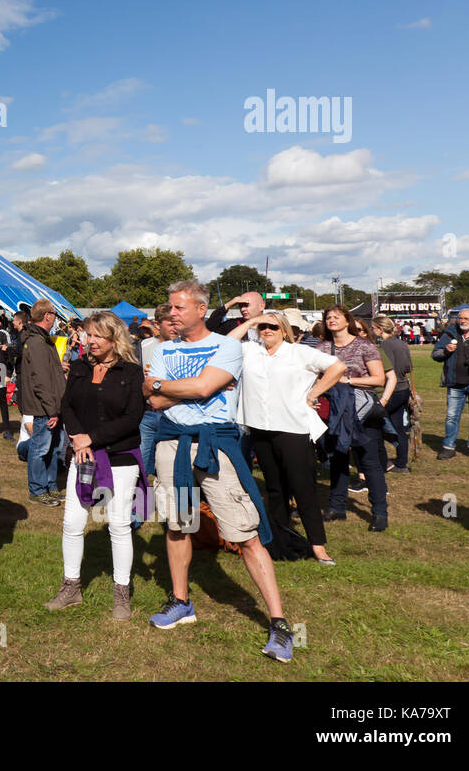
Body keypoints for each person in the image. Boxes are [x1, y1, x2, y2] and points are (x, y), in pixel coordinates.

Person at [143, 280, 295, 663]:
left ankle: (278, 623)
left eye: (178, 308)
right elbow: (155, 397)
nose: (171, 314)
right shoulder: (162, 348)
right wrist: (180, 387)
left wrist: (174, 386)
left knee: (243, 532)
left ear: (199, 309)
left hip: (216, 444)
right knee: (177, 525)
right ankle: (181, 602)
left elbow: (202, 387)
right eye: (170, 308)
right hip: (171, 443)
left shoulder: (228, 345)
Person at [46, 311, 146, 618]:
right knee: (73, 523)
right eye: (88, 335)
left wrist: (92, 438)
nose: (89, 341)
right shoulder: (78, 367)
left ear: (114, 338)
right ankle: (71, 587)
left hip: (120, 458)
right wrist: (78, 438)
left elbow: (132, 418)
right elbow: (68, 406)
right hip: (82, 455)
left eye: (96, 336)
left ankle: (121, 593)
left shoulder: (131, 372)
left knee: (118, 524)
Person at [230, 312, 344, 565]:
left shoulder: (299, 353)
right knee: (274, 488)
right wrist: (251, 322)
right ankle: (279, 540)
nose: (267, 330)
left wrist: (314, 393)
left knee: (303, 488)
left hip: (293, 428)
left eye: (272, 326)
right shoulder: (250, 350)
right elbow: (225, 344)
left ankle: (318, 545)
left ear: (284, 330)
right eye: (263, 327)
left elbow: (337, 367)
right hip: (259, 427)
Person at [315, 305, 389, 530]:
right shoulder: (322, 347)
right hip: (334, 410)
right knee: (337, 458)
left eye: (336, 316)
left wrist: (348, 381)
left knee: (368, 461)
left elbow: (379, 379)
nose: (331, 320)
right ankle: (337, 507)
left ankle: (379, 513)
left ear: (347, 321)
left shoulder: (364, 345)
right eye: (328, 317)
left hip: (361, 410)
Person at [16, 299, 67, 508]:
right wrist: (52, 409)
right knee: (40, 448)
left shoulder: (42, 339)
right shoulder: (36, 341)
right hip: (45, 407)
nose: (55, 318)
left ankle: (50, 485)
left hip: (52, 405)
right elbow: (40, 380)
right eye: (54, 314)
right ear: (47, 316)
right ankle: (37, 489)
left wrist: (58, 367)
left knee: (54, 447)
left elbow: (45, 373)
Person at [431, 307, 469, 459]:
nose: (462, 321)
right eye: (460, 318)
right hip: (455, 383)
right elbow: (435, 354)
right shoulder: (449, 334)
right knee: (451, 417)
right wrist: (446, 351)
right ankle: (448, 447)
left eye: (467, 319)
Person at [138, 304, 178, 476]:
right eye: (170, 323)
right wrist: (140, 376)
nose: (175, 327)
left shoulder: (185, 346)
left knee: (171, 466)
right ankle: (142, 500)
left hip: (173, 413)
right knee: (141, 463)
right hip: (147, 414)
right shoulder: (143, 346)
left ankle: (179, 501)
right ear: (157, 324)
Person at [372, 315, 415, 473]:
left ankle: (382, 462)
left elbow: (386, 370)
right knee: (397, 427)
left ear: (380, 329)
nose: (372, 330)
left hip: (392, 390)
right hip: (403, 389)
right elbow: (409, 367)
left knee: (373, 425)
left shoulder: (385, 345)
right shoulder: (401, 343)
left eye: (373, 328)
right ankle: (401, 464)